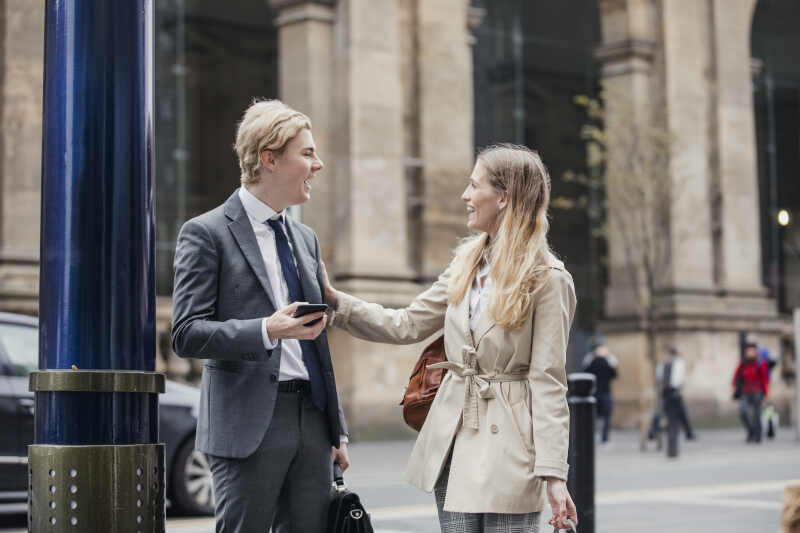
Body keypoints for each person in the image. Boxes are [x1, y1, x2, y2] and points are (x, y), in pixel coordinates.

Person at [324, 144, 578, 532]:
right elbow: (406, 323)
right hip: (454, 438)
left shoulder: (548, 279)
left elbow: (548, 381)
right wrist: (336, 302)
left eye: (474, 186)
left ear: (504, 197)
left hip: (510, 446)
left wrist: (554, 473)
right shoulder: (466, 264)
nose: (465, 195)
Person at [170, 99, 350, 532]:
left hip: (311, 420)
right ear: (269, 159)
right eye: (307, 153)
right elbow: (186, 333)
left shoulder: (305, 238)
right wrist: (267, 329)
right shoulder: (206, 232)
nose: (318, 164)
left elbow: (317, 342)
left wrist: (334, 429)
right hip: (247, 425)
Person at [649, 347, 695, 441]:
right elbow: (679, 378)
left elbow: (659, 376)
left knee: (660, 411)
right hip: (675, 391)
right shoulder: (679, 363)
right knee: (682, 412)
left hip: (665, 390)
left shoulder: (663, 363)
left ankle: (653, 432)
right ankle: (689, 433)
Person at [732, 342, 769, 443]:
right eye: (748, 351)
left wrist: (765, 393)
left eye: (751, 351)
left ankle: (758, 435)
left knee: (757, 414)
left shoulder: (760, 363)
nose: (749, 353)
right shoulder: (743, 363)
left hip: (757, 391)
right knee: (742, 411)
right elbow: (736, 376)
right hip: (745, 391)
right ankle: (750, 431)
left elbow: (765, 379)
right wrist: (734, 387)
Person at [582, 342, 617, 443]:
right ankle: (593, 435)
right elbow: (585, 371)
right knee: (593, 416)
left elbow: (614, 374)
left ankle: (604, 437)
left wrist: (608, 357)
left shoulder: (608, 360)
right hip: (595, 392)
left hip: (604, 392)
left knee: (606, 416)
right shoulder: (591, 359)